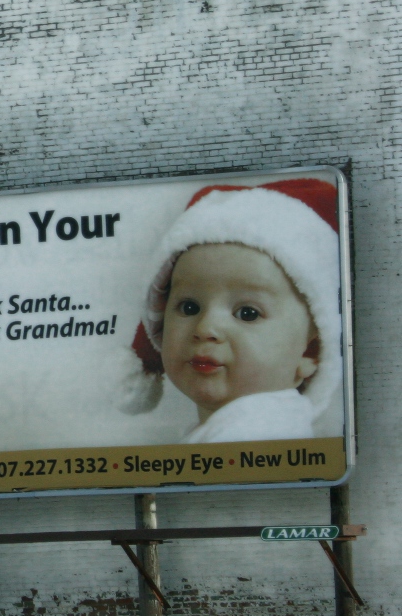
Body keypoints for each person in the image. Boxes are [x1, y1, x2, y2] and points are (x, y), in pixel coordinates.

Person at [118, 178, 342, 443]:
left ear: (309, 351)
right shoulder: (238, 429)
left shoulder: (256, 435)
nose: (205, 329)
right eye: (189, 307)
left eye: (248, 313)